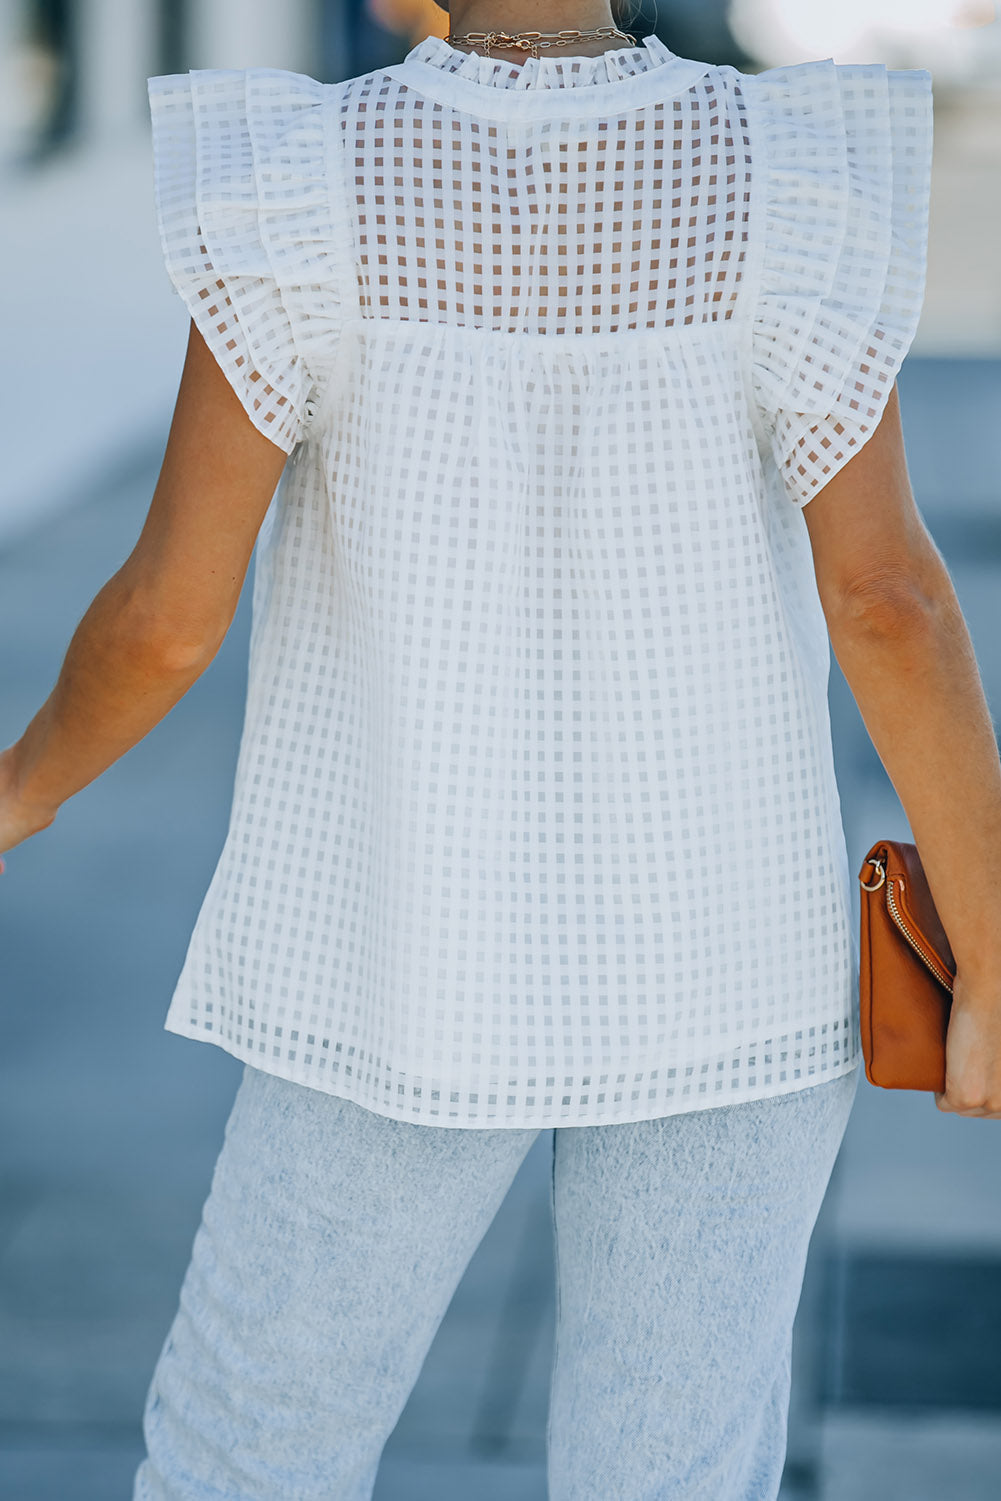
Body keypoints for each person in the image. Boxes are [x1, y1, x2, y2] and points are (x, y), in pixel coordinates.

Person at [2, 1, 1000, 1496]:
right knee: (667, 1473)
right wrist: (989, 953)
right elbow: (889, 603)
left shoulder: (302, 186)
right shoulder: (791, 177)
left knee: (247, 1454)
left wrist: (18, 788)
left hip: (392, 963)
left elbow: (163, 625)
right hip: (726, 960)